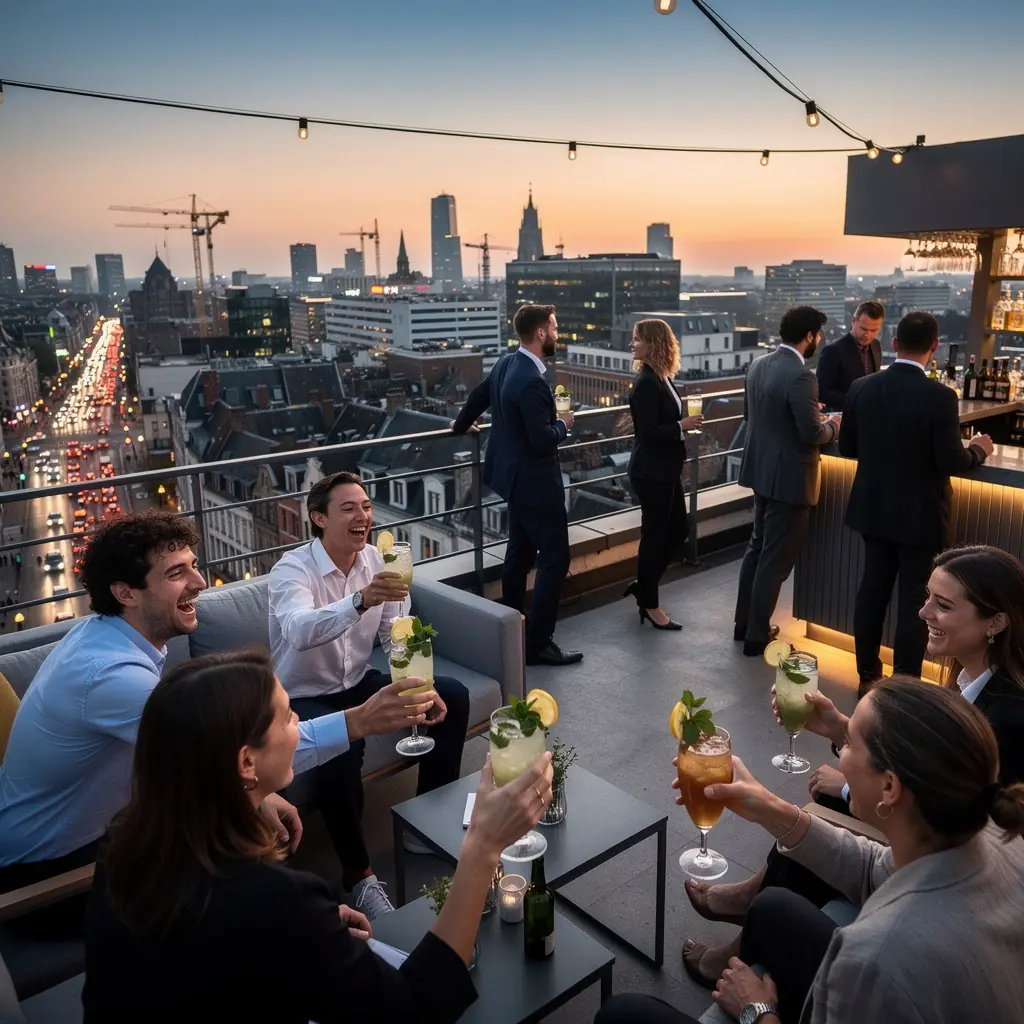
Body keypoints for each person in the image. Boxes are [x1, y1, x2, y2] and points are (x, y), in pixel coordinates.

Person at [83, 649, 554, 1023]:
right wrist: (483, 848)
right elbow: (413, 1011)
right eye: (289, 718)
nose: (298, 728)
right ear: (245, 764)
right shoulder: (276, 900)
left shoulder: (124, 844)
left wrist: (311, 935)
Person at [602, 679, 1024, 1024]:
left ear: (891, 788)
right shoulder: (993, 831)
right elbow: (875, 868)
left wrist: (757, 1011)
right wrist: (770, 808)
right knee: (772, 907)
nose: (842, 752)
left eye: (851, 744)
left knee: (622, 1015)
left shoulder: (874, 960)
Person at [0, 512, 317, 934]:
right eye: (176, 573)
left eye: (193, 565)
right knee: (228, 851)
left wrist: (257, 795)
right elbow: (242, 757)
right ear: (125, 592)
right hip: (48, 879)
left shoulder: (103, 635)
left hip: (82, 841)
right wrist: (359, 721)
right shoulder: (110, 677)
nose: (200, 583)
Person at [268, 471, 470, 919]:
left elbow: (394, 637)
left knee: (450, 696)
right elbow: (299, 631)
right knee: (340, 750)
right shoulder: (292, 569)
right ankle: (358, 878)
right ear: (318, 518)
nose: (362, 516)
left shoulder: (378, 560)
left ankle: (425, 826)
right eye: (348, 508)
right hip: (301, 695)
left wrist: (415, 681)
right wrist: (360, 600)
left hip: (357, 680)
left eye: (365, 507)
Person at [840, 311, 993, 697]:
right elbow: (950, 461)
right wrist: (977, 450)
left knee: (871, 590)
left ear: (893, 344)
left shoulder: (862, 386)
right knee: (915, 599)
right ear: (934, 348)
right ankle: (904, 685)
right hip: (920, 515)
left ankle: (866, 677)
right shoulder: (941, 396)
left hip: (873, 508)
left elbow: (848, 447)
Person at [451, 303, 582, 666]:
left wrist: (461, 426)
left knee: (520, 554)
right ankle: (539, 642)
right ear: (540, 333)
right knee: (555, 559)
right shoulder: (532, 381)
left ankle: (511, 630)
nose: (557, 334)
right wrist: (565, 424)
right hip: (536, 483)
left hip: (512, 480)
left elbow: (480, 394)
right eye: (554, 328)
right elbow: (542, 439)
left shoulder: (508, 363)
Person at [734, 306, 840, 656]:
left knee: (757, 546)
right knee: (775, 560)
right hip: (789, 478)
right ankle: (757, 635)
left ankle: (744, 623)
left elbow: (755, 416)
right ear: (809, 335)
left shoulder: (759, 364)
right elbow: (811, 434)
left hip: (761, 470)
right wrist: (833, 424)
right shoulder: (801, 375)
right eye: (818, 335)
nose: (819, 341)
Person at [624, 318, 702, 629]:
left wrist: (681, 429)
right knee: (656, 537)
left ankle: (645, 587)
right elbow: (647, 433)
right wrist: (681, 427)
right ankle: (651, 604)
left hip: (664, 470)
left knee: (677, 530)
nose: (632, 345)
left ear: (655, 344)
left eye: (637, 339)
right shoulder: (645, 382)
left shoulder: (660, 377)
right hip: (651, 472)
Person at [814, 300, 884, 412]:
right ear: (853, 321)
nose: (868, 335)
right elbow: (821, 391)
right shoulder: (833, 351)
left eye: (874, 330)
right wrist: (854, 402)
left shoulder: (876, 346)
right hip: (842, 418)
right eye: (864, 329)